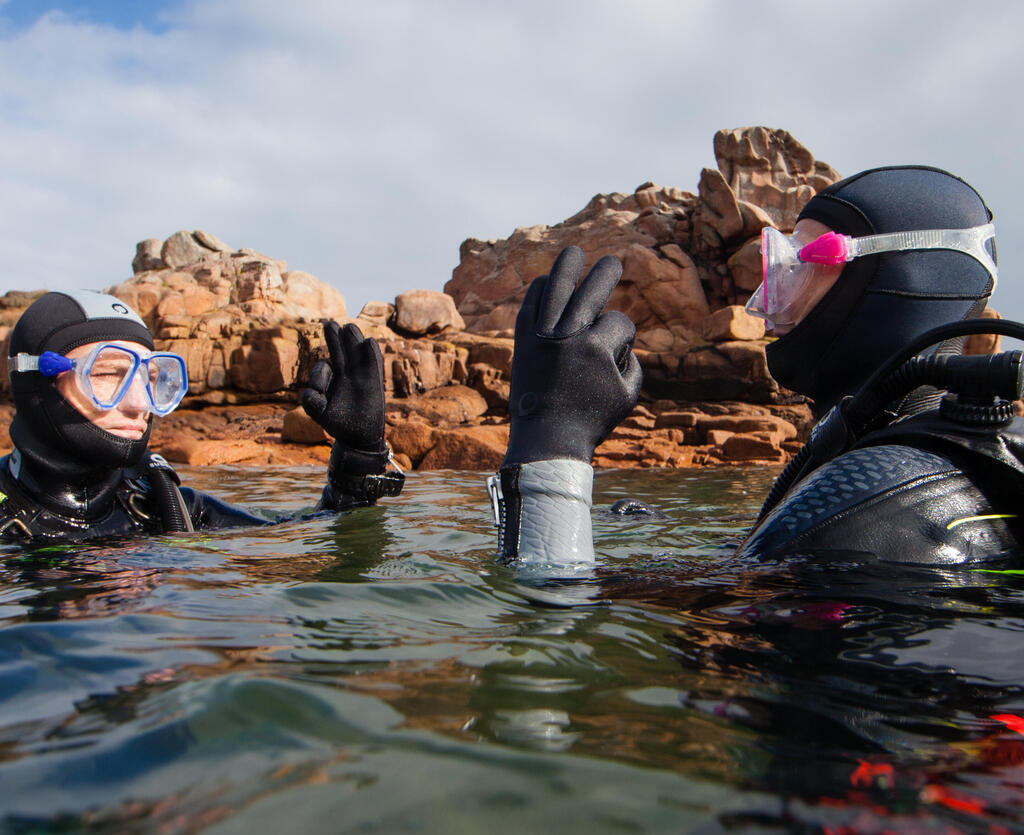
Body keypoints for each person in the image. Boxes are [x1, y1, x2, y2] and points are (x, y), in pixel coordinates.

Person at [489, 166, 1024, 568]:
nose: (767, 307)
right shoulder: (908, 462)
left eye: (800, 268)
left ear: (899, 281)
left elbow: (554, 626)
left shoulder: (877, 498)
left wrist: (551, 445)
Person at [0, 289, 404, 541]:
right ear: (37, 383)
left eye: (150, 378)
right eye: (108, 373)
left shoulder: (162, 502)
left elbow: (302, 538)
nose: (139, 404)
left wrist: (357, 457)